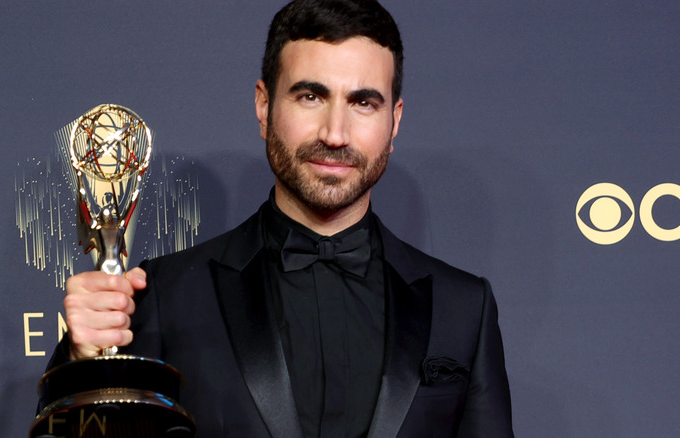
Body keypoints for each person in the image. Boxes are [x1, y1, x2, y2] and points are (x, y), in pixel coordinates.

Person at [47, 0, 514, 436]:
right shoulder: (164, 295)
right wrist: (85, 362)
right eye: (311, 96)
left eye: (363, 103)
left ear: (394, 122)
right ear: (264, 106)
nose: (335, 134)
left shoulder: (462, 309)